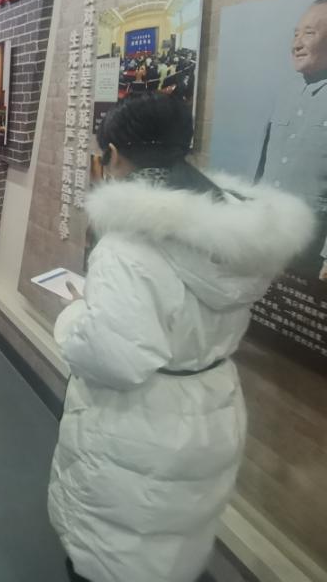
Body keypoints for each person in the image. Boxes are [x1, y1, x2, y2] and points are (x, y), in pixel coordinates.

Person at [48, 94, 314, 582]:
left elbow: (116, 357)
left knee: (114, 551)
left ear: (113, 156)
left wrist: (75, 314)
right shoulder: (234, 231)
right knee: (175, 543)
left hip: (138, 428)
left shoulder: (127, 245)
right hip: (212, 405)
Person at [257, 0, 327, 283]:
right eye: (295, 34)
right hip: (267, 238)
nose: (296, 44)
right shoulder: (286, 92)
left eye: (309, 33)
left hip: (312, 252)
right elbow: (263, 168)